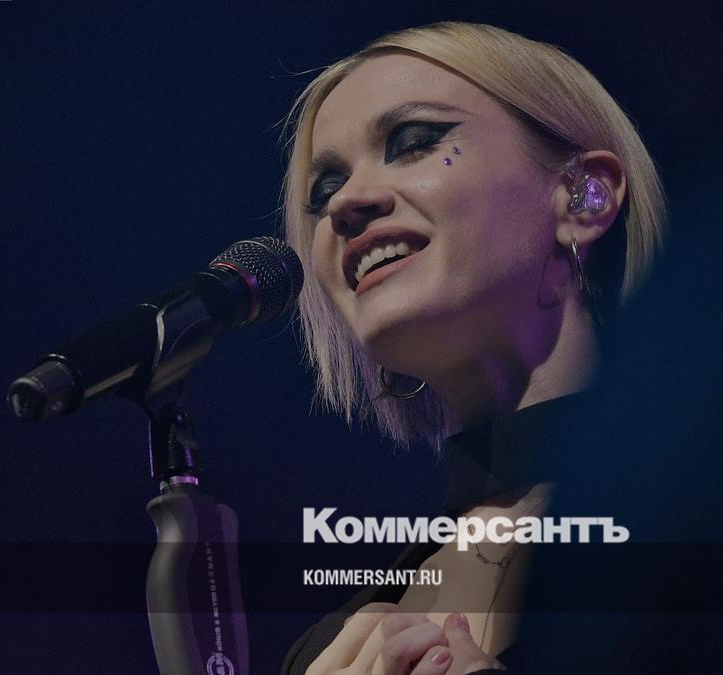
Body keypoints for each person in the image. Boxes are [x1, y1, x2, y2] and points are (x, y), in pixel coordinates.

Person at [277, 21, 667, 675]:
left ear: (585, 197)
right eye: (324, 190)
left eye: (413, 142)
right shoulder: (327, 652)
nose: (345, 203)